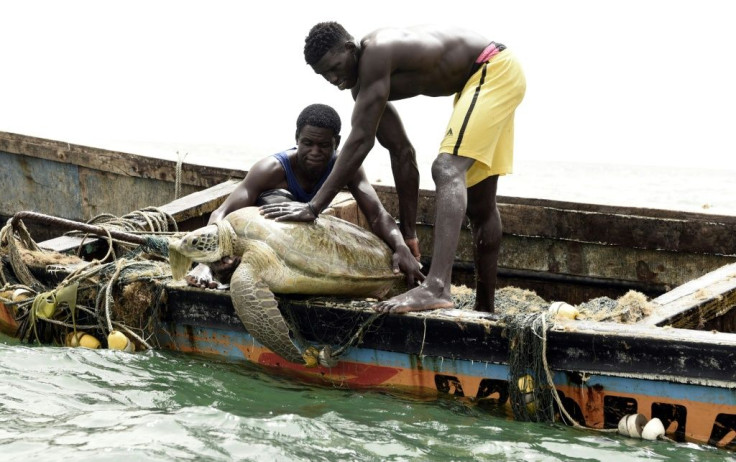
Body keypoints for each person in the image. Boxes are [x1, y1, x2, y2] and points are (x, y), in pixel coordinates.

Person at [260, 23, 525, 314]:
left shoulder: (376, 52)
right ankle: (485, 310)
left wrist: (313, 206)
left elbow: (359, 142)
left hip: (490, 69)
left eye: (335, 67)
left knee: (447, 168)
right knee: (480, 204)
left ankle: (437, 286)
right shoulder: (364, 88)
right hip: (483, 82)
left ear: (350, 48)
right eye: (325, 75)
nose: (334, 79)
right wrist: (408, 234)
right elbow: (402, 154)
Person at [185, 103, 423, 289]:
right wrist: (206, 262)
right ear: (296, 138)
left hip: (305, 252)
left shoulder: (346, 166)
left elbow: (378, 215)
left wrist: (401, 246)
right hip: (264, 248)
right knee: (276, 199)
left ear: (337, 143)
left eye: (323, 146)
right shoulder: (271, 169)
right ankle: (215, 271)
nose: (314, 152)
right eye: (307, 143)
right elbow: (222, 213)